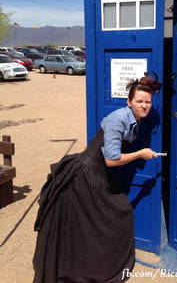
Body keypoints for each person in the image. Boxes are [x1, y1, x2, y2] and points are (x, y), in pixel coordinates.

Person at [32, 74, 162, 283]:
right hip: (86, 175)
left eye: (148, 102)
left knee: (92, 223)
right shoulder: (117, 119)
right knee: (112, 215)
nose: (144, 106)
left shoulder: (135, 121)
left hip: (98, 173)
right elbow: (111, 160)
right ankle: (90, 269)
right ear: (129, 102)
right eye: (139, 101)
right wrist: (140, 154)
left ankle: (92, 264)